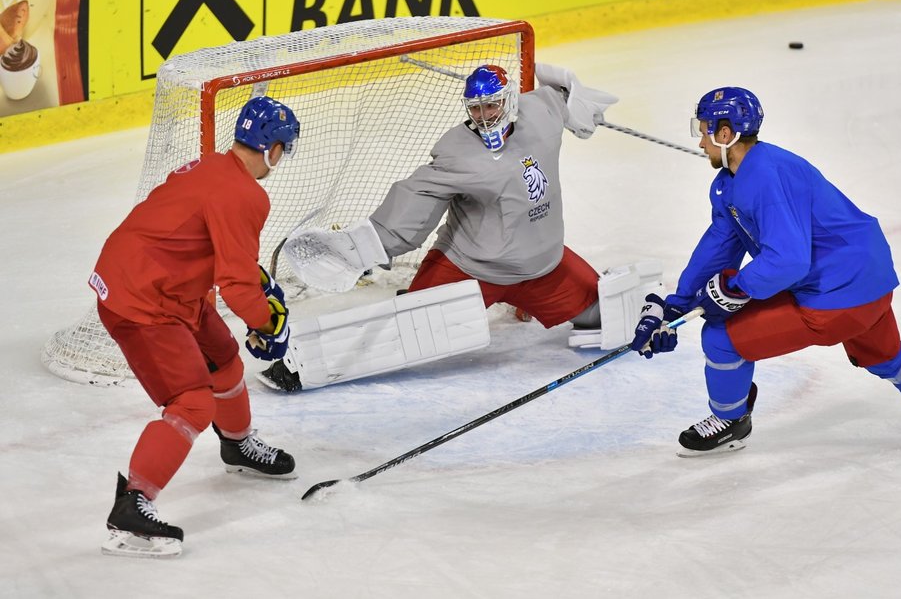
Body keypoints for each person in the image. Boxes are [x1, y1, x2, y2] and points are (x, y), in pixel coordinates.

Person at [631, 86, 901, 456]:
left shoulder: (765, 178)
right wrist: (676, 304)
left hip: (834, 296)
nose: (700, 141)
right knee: (885, 355)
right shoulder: (733, 180)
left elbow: (788, 261)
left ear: (726, 134)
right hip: (870, 280)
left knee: (722, 338)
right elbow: (719, 244)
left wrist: (736, 289)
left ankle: (731, 422)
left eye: (704, 130)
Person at [260, 63, 642, 392]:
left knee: (609, 316)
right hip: (471, 268)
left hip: (543, 267)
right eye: (475, 109)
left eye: (492, 105)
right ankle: (302, 364)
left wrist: (578, 98)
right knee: (405, 330)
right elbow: (414, 200)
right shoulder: (457, 154)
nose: (484, 116)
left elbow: (559, 94)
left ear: (510, 101)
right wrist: (361, 247)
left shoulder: (539, 114)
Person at [89, 96, 301, 558]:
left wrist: (247, 280)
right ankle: (132, 509)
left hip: (160, 282)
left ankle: (237, 446)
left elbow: (211, 246)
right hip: (144, 302)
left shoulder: (210, 165)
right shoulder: (246, 193)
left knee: (223, 356)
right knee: (191, 401)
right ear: (274, 149)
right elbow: (237, 286)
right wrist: (270, 326)